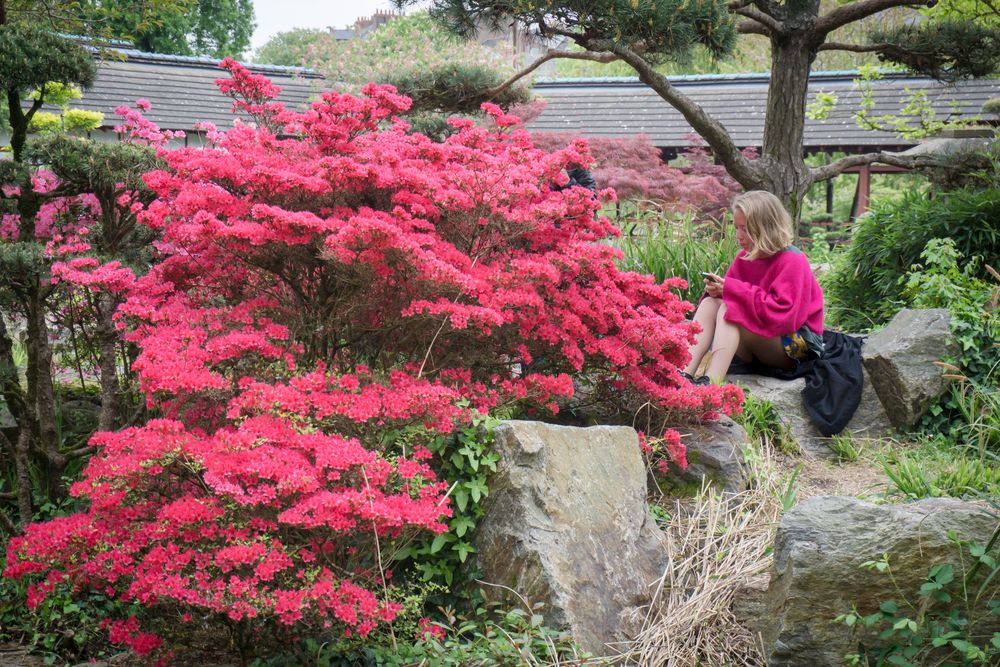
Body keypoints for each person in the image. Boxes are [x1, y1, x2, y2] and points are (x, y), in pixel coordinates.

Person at [683, 190, 825, 384]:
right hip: (758, 339)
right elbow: (734, 295)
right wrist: (717, 292)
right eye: (736, 228)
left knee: (730, 307)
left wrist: (731, 291)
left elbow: (785, 318)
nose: (738, 236)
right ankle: (682, 373)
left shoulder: (793, 260)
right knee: (711, 304)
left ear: (765, 227)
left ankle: (711, 383)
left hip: (795, 346)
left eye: (745, 228)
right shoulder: (744, 257)